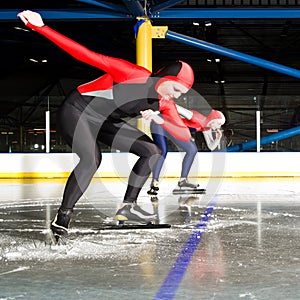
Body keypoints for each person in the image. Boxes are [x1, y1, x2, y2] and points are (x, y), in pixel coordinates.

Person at [17, 10, 196, 239]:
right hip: (77, 110)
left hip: (104, 120)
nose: (177, 97)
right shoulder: (134, 74)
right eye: (177, 90)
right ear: (166, 80)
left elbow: (182, 133)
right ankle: (63, 216)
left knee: (153, 151)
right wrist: (41, 27)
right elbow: (85, 55)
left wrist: (159, 118)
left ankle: (127, 209)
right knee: (92, 159)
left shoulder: (164, 102)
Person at [147, 106, 225, 195]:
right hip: (159, 123)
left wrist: (218, 139)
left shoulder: (206, 128)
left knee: (192, 149)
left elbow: (211, 147)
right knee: (162, 151)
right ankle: (154, 182)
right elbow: (175, 107)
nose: (219, 126)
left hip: (173, 129)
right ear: (213, 120)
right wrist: (154, 113)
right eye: (219, 123)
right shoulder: (196, 117)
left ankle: (183, 181)